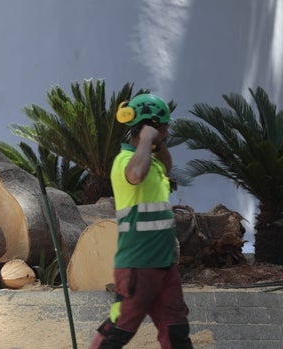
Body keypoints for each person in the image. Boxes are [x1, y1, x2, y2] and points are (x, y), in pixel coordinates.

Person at [89, 94, 193, 349]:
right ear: (149, 126)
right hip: (138, 265)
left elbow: (166, 167)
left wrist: (158, 144)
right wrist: (147, 139)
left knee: (176, 328)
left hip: (164, 264)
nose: (168, 131)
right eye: (164, 126)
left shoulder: (153, 163)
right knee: (118, 329)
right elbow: (135, 175)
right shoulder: (125, 161)